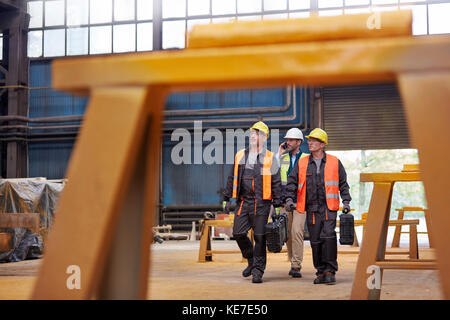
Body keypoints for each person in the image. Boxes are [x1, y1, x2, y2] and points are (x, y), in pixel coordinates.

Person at [285, 128, 351, 285]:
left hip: (329, 206)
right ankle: (320, 271)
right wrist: (289, 198)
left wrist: (346, 201)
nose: (310, 143)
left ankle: (330, 270)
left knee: (328, 236)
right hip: (311, 207)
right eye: (310, 140)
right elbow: (292, 181)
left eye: (314, 140)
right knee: (315, 240)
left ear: (322, 144)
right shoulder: (302, 162)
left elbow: (343, 183)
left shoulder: (335, 161)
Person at [222, 121, 282, 283]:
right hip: (243, 201)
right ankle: (250, 259)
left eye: (256, 133)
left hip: (262, 203)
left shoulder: (270, 158)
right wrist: (227, 198)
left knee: (260, 237)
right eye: (251, 133)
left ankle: (258, 271)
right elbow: (232, 177)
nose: (252, 136)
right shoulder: (241, 155)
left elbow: (276, 182)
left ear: (264, 137)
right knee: (238, 233)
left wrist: (276, 204)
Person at [275, 128, 309, 278]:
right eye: (286, 140)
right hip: (284, 202)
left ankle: (296, 265)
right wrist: (278, 154)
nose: (287, 142)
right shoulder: (282, 157)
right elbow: (269, 171)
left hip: (301, 201)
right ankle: (292, 259)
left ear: (299, 142)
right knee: (287, 234)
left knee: (297, 231)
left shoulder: (307, 158)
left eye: (290, 140)